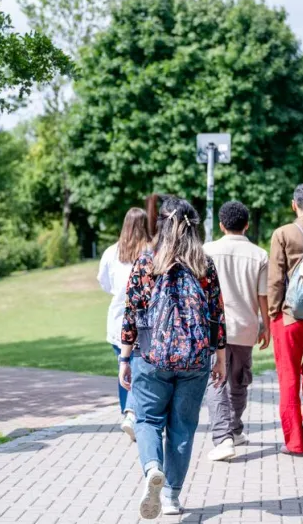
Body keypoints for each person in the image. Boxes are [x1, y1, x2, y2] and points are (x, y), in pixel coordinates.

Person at [119, 197, 227, 519]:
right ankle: (171, 497)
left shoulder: (147, 262)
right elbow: (216, 315)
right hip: (195, 359)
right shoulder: (204, 264)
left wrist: (125, 359)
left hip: (151, 356)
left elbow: (131, 313)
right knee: (183, 428)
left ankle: (153, 467)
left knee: (149, 419)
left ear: (161, 225)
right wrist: (219, 358)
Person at [202, 201, 270, 462]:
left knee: (216, 379)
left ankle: (224, 437)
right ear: (247, 225)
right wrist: (266, 326)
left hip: (213, 327)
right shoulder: (259, 254)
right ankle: (235, 429)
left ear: (221, 224)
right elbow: (263, 295)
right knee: (239, 380)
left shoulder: (206, 250)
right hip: (245, 327)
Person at [268, 183, 303, 455]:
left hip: (289, 316)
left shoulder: (283, 233)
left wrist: (273, 313)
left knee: (288, 378)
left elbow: (276, 279)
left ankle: (295, 443)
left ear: (294, 205)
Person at [97, 208, 152, 442]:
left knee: (124, 368)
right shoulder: (150, 252)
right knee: (139, 369)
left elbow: (104, 283)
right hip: (144, 320)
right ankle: (134, 417)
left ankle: (127, 413)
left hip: (118, 319)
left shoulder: (112, 252)